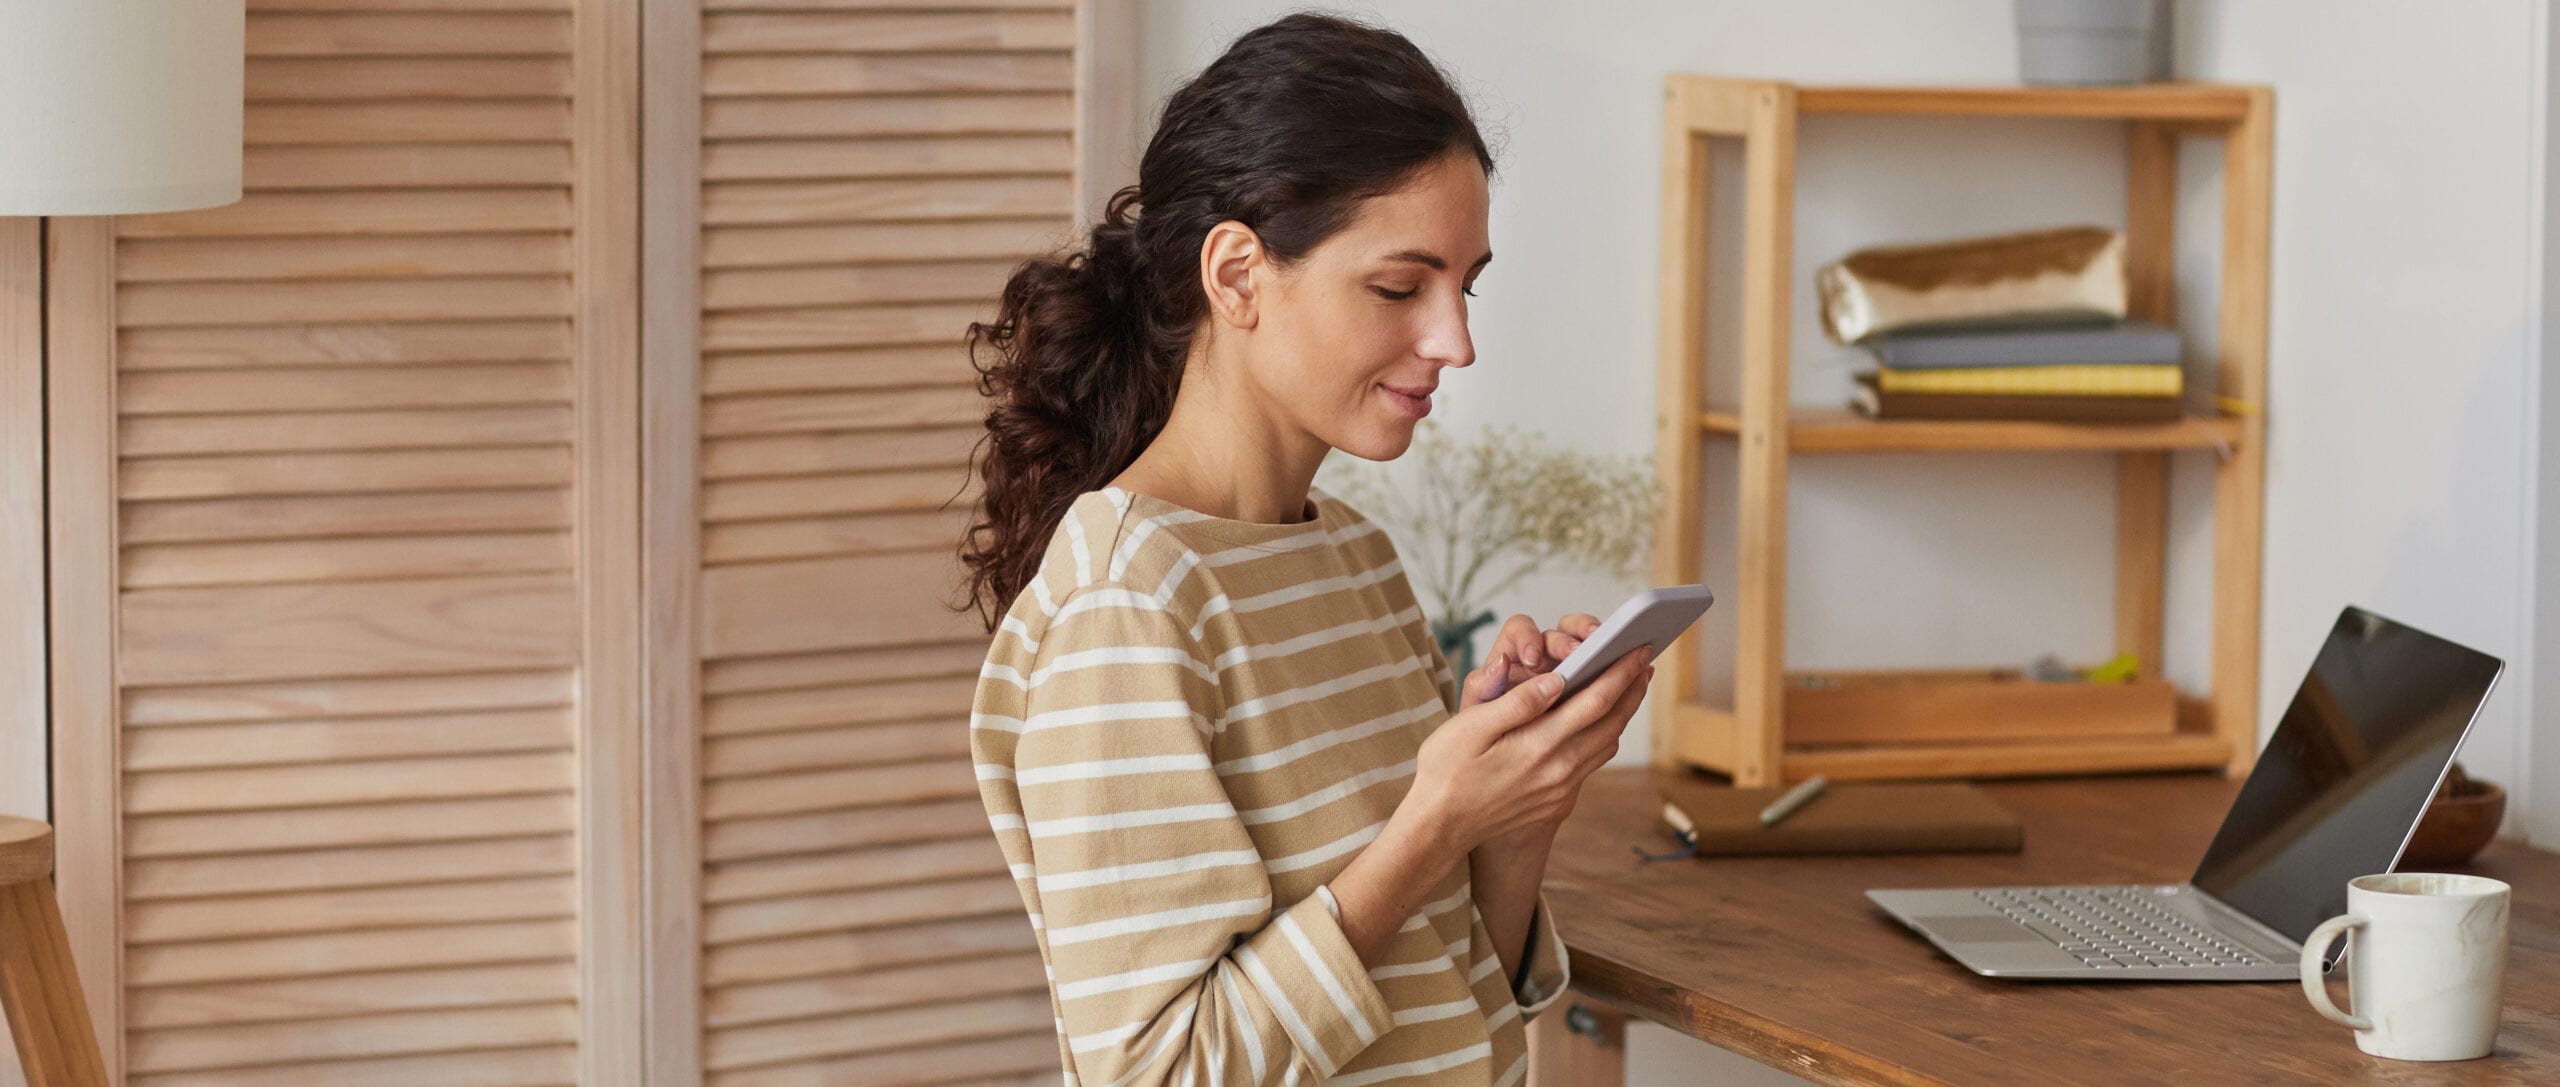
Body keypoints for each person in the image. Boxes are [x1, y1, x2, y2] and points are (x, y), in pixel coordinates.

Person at [955, 12, 1653, 1085]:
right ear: (1236, 275)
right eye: (1397, 287)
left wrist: (1514, 807)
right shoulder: (1126, 604)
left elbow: (1462, 995)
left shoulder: (1356, 558)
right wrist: (1431, 823)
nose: (1454, 341)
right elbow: (1161, 1072)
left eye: (1464, 286)